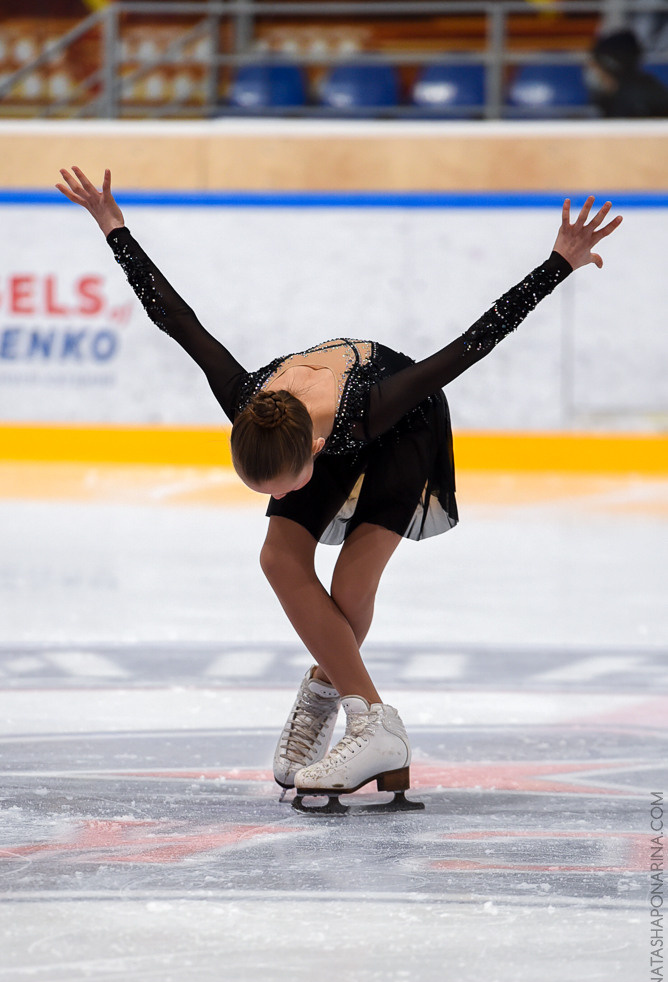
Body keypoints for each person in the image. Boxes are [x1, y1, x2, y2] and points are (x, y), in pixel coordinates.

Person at [56, 166, 622, 807]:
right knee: (278, 556)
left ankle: (368, 720)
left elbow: (470, 346)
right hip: (314, 426)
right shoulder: (248, 400)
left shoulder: (378, 404)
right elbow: (175, 318)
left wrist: (558, 264)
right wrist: (113, 227)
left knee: (352, 583)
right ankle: (345, 702)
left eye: (286, 486)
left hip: (406, 428)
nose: (282, 497)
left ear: (317, 453)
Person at [587, 28, 668, 117]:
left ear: (610, 65)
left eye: (596, 66)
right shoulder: (608, 97)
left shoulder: (639, 98)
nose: (592, 72)